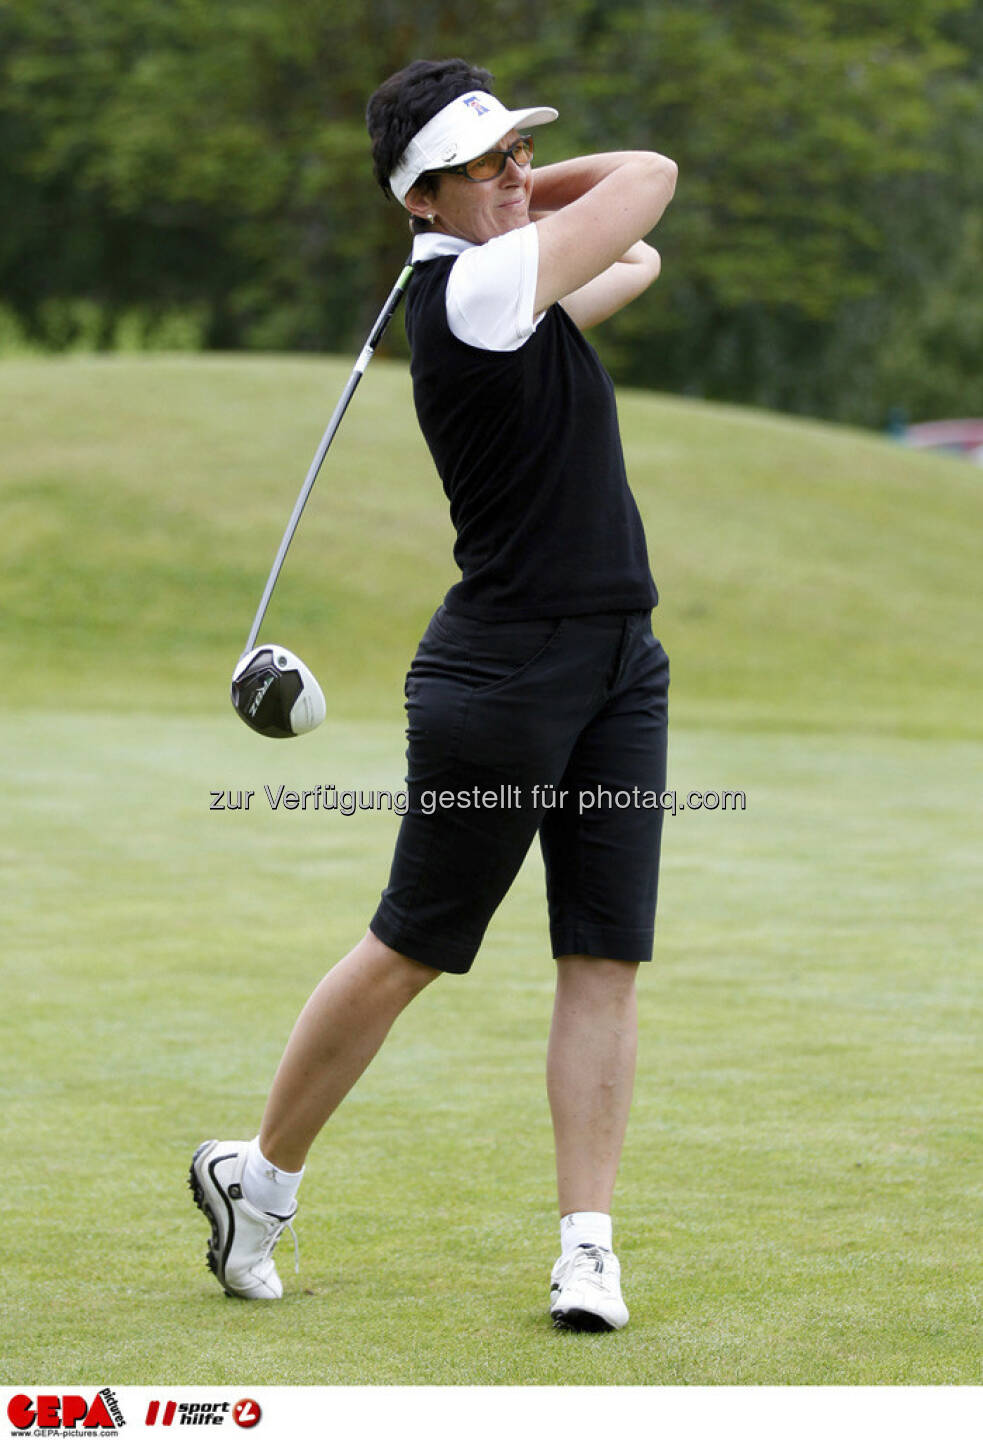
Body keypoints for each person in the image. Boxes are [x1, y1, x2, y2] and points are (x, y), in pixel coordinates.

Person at [190, 57, 677, 1333]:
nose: (520, 174)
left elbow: (635, 264)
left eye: (523, 155)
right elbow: (648, 184)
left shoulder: (505, 282)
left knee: (602, 955)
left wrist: (496, 191)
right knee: (413, 947)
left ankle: (586, 1248)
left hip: (620, 661)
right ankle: (260, 1180)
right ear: (419, 196)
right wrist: (500, 205)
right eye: (490, 160)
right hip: (502, 676)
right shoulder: (475, 291)